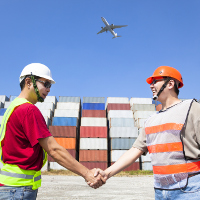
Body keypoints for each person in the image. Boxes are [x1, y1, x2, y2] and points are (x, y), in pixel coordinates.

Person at [90, 66, 200, 199]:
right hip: (160, 191)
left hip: (190, 190)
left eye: (155, 82)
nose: (151, 86)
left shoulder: (193, 108)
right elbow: (134, 151)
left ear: (170, 84)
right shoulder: (151, 120)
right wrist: (106, 173)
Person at [0, 63, 105, 200]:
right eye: (46, 84)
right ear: (28, 82)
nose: (49, 89)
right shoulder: (28, 110)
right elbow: (54, 150)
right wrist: (87, 173)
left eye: (50, 85)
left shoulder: (13, 107)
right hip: (19, 190)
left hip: (10, 187)